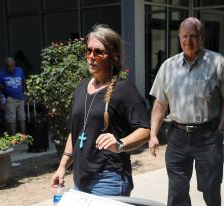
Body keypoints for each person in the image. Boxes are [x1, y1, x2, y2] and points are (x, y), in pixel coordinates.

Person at [148, 17, 224, 206]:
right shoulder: (168, 66)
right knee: (177, 190)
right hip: (177, 136)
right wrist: (153, 134)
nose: (188, 41)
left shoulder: (217, 63)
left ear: (201, 37)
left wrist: (221, 129)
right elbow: (160, 103)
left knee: (210, 187)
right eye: (184, 36)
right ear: (179, 37)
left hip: (208, 136)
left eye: (193, 36)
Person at [50, 24, 150, 196]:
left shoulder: (124, 89)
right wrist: (62, 166)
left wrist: (120, 144)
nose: (91, 57)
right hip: (81, 178)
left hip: (109, 179)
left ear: (114, 55)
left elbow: (145, 131)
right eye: (88, 51)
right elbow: (75, 132)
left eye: (98, 52)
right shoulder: (81, 87)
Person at [0, 57, 26, 135]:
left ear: (15, 65)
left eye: (12, 65)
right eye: (9, 66)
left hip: (21, 98)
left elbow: (23, 82)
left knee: (22, 117)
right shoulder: (2, 74)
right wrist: (0, 101)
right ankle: (13, 137)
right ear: (5, 66)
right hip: (10, 98)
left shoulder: (20, 70)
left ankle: (23, 135)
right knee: (11, 119)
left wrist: (24, 93)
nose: (11, 68)